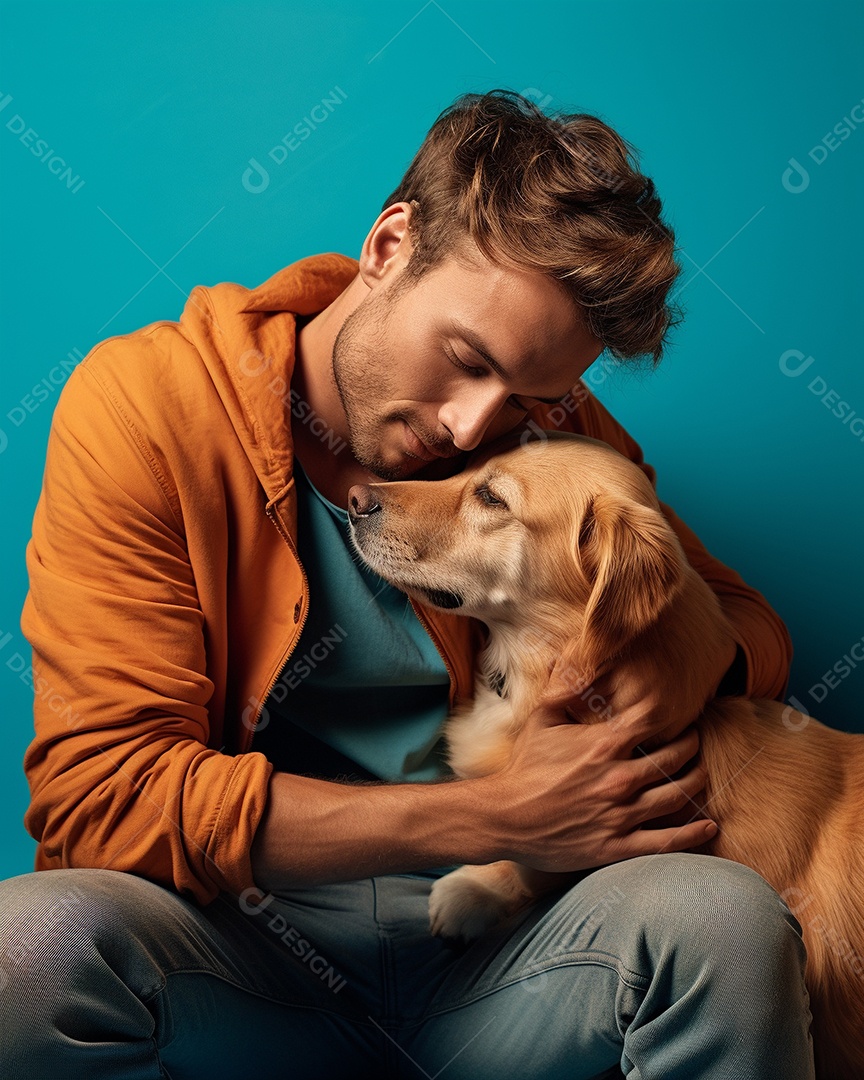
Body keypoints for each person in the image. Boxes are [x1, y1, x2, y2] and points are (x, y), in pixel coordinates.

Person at [0, 90, 814, 1078]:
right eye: (466, 359)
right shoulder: (147, 410)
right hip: (236, 949)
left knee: (725, 920)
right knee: (23, 948)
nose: (474, 427)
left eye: (528, 396)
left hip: (511, 947)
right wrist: (500, 812)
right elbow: (103, 796)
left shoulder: (540, 432)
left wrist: (643, 695)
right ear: (390, 246)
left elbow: (747, 626)